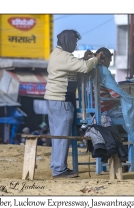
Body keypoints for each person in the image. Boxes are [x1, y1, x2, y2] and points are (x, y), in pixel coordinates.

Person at [44, 29, 104, 178]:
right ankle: (59, 170)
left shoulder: (58, 55)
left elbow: (75, 67)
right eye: (75, 42)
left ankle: (57, 166)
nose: (75, 46)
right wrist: (96, 58)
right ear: (69, 42)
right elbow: (83, 68)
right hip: (61, 101)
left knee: (58, 135)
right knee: (62, 136)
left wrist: (84, 58)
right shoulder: (63, 56)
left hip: (55, 100)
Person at [94, 47, 134, 168]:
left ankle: (127, 156)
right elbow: (115, 94)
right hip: (107, 112)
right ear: (107, 59)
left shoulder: (90, 70)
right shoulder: (103, 71)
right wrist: (128, 99)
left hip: (96, 112)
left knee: (130, 119)